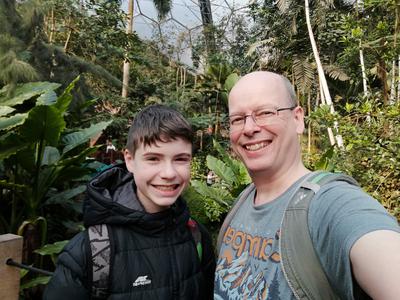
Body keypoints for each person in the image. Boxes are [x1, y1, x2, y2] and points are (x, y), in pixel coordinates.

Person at [214, 71, 400, 299]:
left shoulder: (331, 203)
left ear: (297, 119)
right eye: (237, 119)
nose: (249, 128)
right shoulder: (242, 201)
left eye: (265, 113)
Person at [44, 104, 216, 300]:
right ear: (130, 160)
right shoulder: (92, 251)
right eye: (153, 159)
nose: (169, 173)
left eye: (180, 159)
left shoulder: (197, 237)